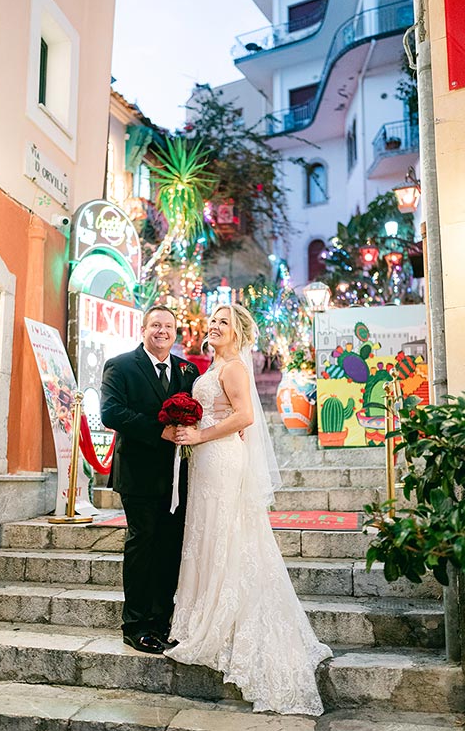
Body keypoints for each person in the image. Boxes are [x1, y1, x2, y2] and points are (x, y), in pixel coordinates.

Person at [165, 303, 332, 715]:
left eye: (224, 322)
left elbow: (243, 416)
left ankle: (223, 620)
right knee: (205, 533)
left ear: (238, 331)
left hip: (221, 458)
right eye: (214, 321)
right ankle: (200, 613)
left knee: (226, 533)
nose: (215, 326)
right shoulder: (211, 366)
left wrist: (200, 435)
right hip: (205, 460)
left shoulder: (235, 366)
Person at [100, 305, 199, 655]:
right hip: (138, 474)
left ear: (176, 332)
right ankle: (136, 624)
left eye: (169, 326)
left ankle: (161, 620)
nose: (162, 331)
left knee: (170, 548)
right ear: (143, 329)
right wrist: (160, 432)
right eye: (155, 325)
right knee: (142, 545)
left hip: (177, 476)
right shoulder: (122, 365)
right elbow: (111, 413)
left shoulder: (186, 370)